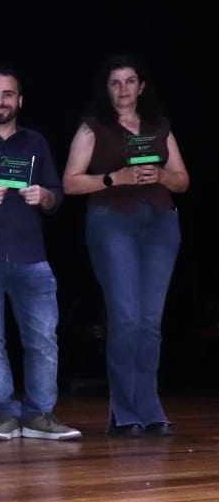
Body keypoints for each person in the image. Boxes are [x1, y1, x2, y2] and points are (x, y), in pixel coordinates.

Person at [0, 67, 81, 441]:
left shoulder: (36, 142)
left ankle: (40, 415)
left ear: (19, 101)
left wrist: (43, 196)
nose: (0, 101)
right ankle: (5, 415)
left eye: (7, 94)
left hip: (31, 254)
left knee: (43, 337)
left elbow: (57, 196)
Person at [63, 54, 189, 436]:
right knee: (127, 318)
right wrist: (113, 178)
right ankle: (124, 410)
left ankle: (150, 407)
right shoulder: (93, 127)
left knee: (150, 322)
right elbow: (70, 183)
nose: (123, 89)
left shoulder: (159, 126)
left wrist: (163, 176)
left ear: (142, 86)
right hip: (113, 223)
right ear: (107, 88)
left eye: (130, 81)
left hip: (161, 223)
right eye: (115, 82)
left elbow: (183, 180)